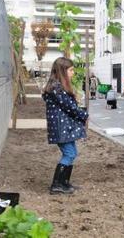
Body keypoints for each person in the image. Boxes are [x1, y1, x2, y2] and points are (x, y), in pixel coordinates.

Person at [42, 57, 89, 195]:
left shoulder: (57, 87)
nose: (73, 73)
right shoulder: (57, 88)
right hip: (61, 128)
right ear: (62, 71)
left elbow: (69, 106)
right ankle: (56, 185)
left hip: (64, 128)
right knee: (69, 153)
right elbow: (70, 107)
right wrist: (84, 115)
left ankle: (64, 182)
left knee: (72, 153)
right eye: (71, 70)